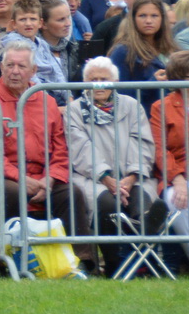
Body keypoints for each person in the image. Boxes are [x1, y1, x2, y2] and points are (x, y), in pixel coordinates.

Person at [0, 43, 90, 257]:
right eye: (10, 65)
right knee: (11, 192)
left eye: (21, 66)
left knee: (72, 194)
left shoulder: (47, 101)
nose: (15, 71)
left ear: (33, 71)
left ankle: (81, 261)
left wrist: (51, 179)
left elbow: (60, 148)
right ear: (1, 67)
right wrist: (21, 178)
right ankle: (2, 260)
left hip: (42, 176)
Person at [63, 56, 155, 278]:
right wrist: (106, 177)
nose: (99, 84)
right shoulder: (74, 110)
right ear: (85, 82)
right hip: (92, 177)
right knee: (106, 202)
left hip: (132, 175)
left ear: (114, 81)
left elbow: (141, 141)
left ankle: (141, 260)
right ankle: (115, 265)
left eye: (104, 79)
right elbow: (81, 147)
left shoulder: (131, 105)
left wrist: (131, 177)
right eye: (93, 79)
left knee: (142, 200)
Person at [149, 50, 189, 276]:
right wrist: (178, 179)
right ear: (179, 80)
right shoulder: (161, 107)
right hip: (184, 177)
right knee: (179, 202)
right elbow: (159, 148)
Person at [108, 0, 177, 115]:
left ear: (162, 19)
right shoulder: (122, 51)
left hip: (170, 120)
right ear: (133, 19)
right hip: (139, 121)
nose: (148, 21)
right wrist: (151, 84)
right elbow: (116, 94)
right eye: (142, 16)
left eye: (154, 16)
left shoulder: (172, 49)